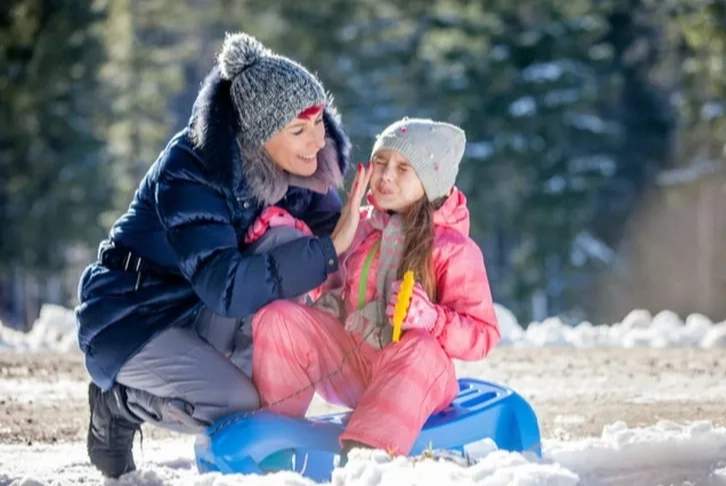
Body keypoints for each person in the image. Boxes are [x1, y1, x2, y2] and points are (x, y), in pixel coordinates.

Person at [74, 31, 367, 478]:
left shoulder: (286, 164)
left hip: (197, 304)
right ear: (259, 133)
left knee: (292, 242)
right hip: (132, 315)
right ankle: (119, 403)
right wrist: (329, 251)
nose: (316, 141)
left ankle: (234, 385)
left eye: (318, 122)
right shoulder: (190, 171)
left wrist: (395, 236)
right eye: (299, 130)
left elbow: (336, 231)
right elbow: (226, 285)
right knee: (238, 404)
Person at [251, 117, 501, 459]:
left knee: (421, 347)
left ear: (431, 180)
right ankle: (274, 443)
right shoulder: (362, 225)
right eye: (380, 162)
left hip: (415, 378)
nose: (384, 176)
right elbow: (331, 290)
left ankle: (364, 458)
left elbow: (483, 335)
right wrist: (294, 236)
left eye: (402, 168)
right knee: (278, 317)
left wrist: (432, 319)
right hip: (353, 362)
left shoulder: (453, 248)